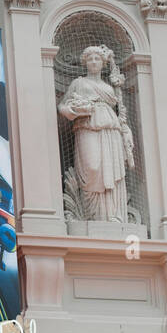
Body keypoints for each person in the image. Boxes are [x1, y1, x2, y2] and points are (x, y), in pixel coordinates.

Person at [58, 45, 134, 222]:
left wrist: (126, 131)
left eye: (97, 58)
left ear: (103, 63)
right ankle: (90, 215)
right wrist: (72, 112)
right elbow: (62, 105)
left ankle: (113, 214)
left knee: (111, 170)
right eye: (90, 59)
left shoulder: (109, 87)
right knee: (92, 167)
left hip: (110, 130)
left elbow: (120, 113)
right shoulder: (78, 83)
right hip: (86, 126)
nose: (93, 61)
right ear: (85, 62)